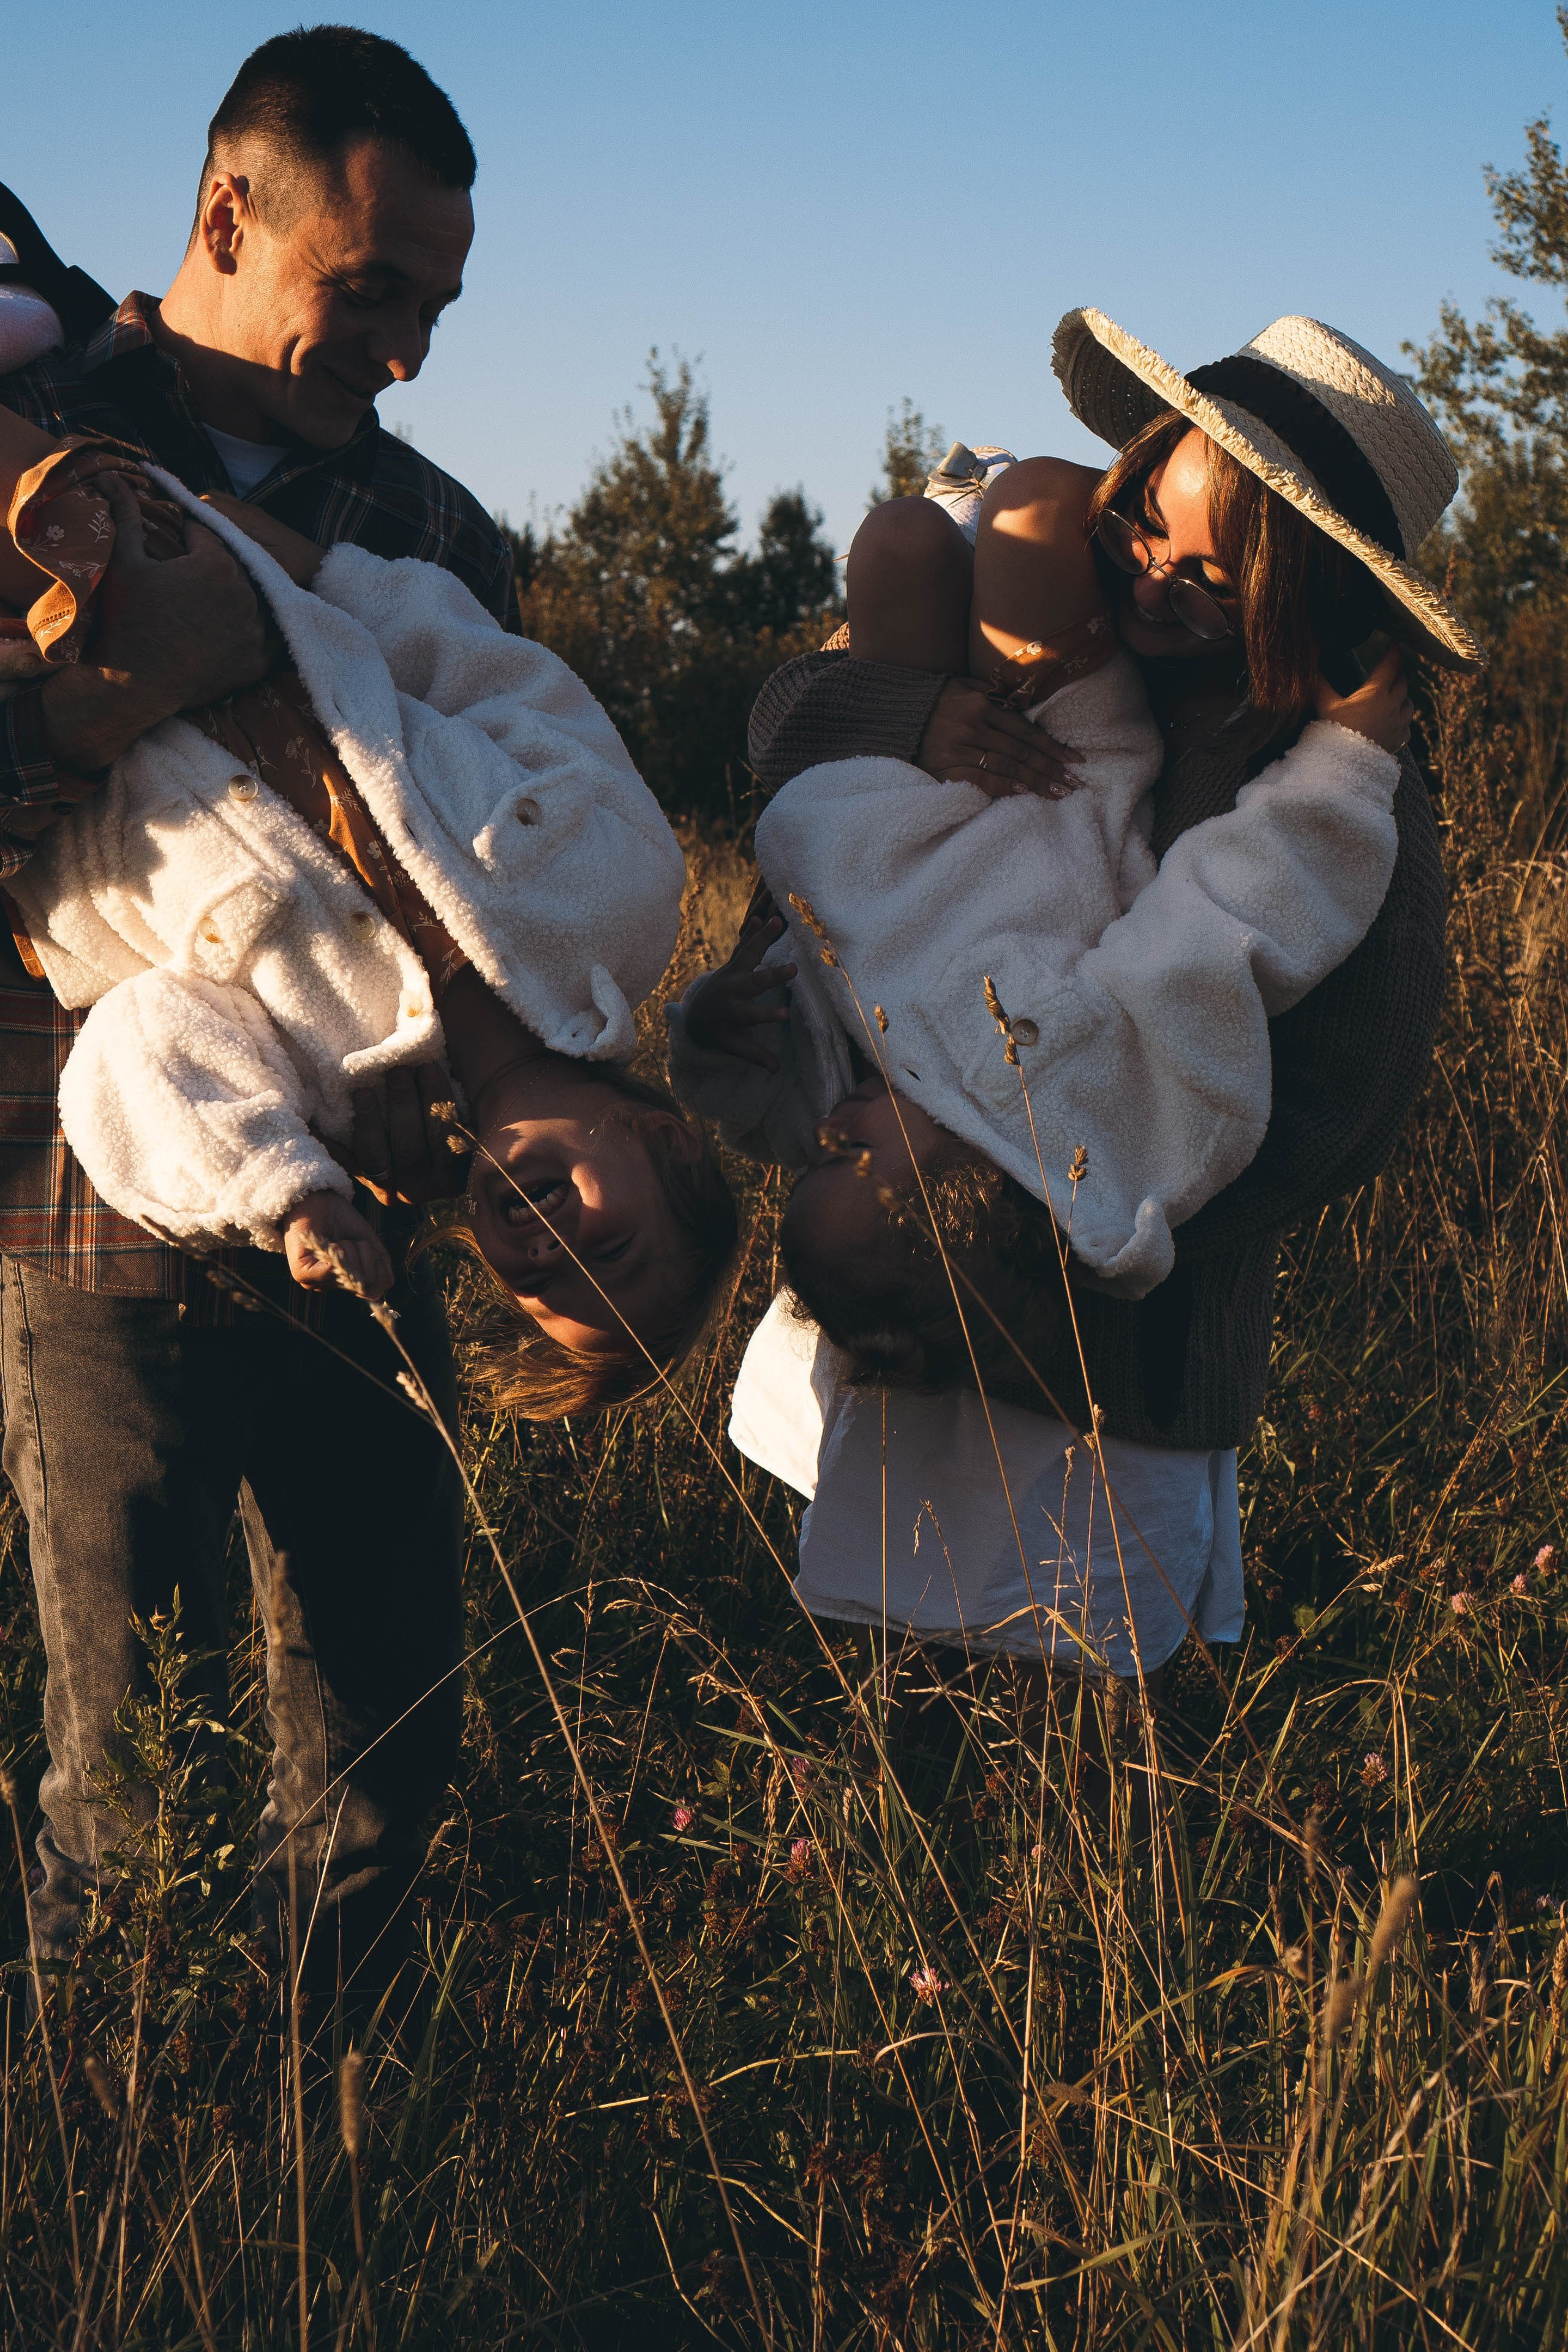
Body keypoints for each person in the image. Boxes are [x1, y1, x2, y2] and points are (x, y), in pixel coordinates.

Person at [0, 29, 550, 1999]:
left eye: (436, 308)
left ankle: (349, 2179)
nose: (405, 353)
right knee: (119, 1775)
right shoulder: (26, 425)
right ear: (232, 208)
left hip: (379, 1218)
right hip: (87, 1217)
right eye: (373, 287)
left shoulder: (436, 542)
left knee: (384, 1761)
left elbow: (519, 860)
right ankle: (88, 2184)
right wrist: (97, 703)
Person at [684, 311, 1475, 1679]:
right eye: (1140, 528)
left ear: (1303, 600)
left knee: (1072, 1687)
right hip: (894, 1248)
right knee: (873, 1659)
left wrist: (1050, 1168)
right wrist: (911, 719)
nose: (1155, 581)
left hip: (1120, 1335)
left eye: (1213, 579)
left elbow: (1351, 1099)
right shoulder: (1041, 626)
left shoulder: (1335, 785)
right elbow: (785, 724)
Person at [0, 404, 732, 1390]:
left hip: (53, 686)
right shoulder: (625, 903)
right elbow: (500, 680)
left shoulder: (332, 1106)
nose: (550, 1258)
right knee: (45, 490)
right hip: (207, 580)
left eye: (536, 1292)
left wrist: (284, 1191)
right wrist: (317, 573)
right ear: (665, 1141)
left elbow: (138, 1049)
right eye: (612, 1253)